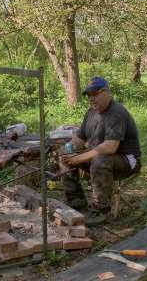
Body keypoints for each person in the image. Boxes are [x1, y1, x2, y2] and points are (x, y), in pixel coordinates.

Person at [60, 76, 142, 226]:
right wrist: (68, 150)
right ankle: (75, 198)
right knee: (65, 153)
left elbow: (110, 147)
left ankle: (101, 210)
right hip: (100, 157)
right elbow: (79, 139)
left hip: (127, 160)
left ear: (106, 92)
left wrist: (79, 158)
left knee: (100, 160)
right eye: (89, 95)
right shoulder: (91, 113)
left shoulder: (117, 112)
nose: (91, 99)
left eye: (95, 94)